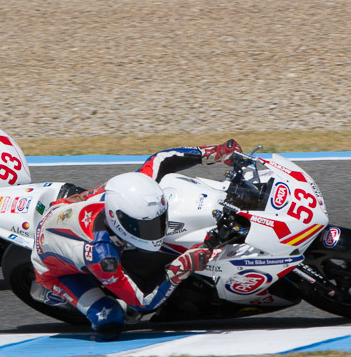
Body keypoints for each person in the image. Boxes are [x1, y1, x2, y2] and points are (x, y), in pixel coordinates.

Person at [31, 139, 243, 340]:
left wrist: (214, 152)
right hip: (55, 269)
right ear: (119, 219)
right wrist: (182, 267)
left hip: (69, 210)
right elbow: (143, 302)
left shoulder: (127, 192)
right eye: (145, 227)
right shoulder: (102, 258)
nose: (155, 231)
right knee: (112, 321)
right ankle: (55, 295)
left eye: (157, 222)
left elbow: (161, 159)